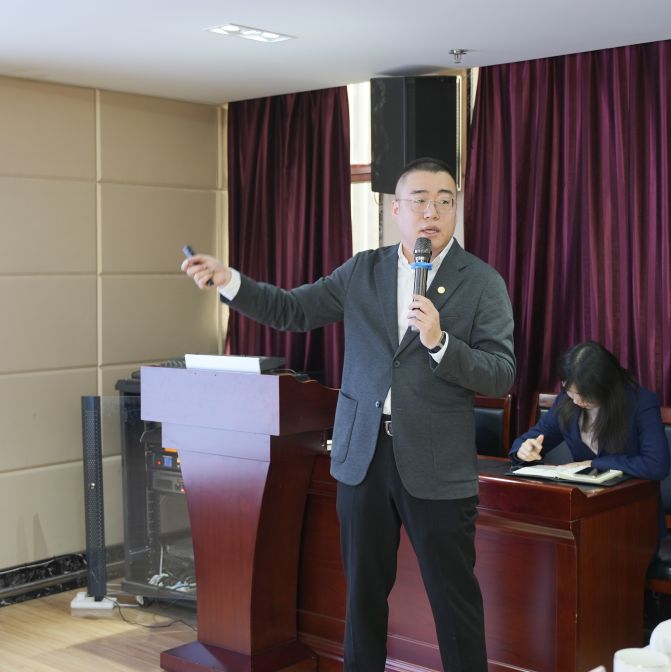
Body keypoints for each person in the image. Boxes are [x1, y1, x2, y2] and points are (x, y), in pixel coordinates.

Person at [181, 157, 515, 671]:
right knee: (362, 599)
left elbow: (501, 373)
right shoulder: (363, 270)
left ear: (456, 209)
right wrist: (231, 281)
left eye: (444, 201)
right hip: (364, 455)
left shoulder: (482, 281)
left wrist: (441, 342)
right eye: (420, 201)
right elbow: (293, 310)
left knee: (455, 605)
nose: (432, 212)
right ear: (396, 210)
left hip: (437, 464)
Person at [509, 341, 670, 482]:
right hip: (583, 499)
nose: (576, 401)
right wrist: (524, 451)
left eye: (584, 395)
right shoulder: (566, 401)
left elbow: (656, 465)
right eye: (570, 392)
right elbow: (530, 439)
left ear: (605, 386)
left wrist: (593, 464)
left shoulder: (640, 403)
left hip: (631, 500)